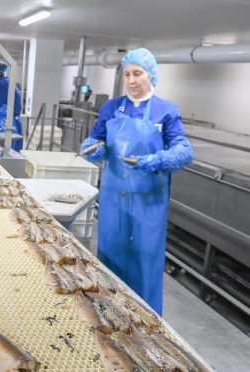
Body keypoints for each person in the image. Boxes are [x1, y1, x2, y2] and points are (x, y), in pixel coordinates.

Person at [80, 48, 193, 315]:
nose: (131, 80)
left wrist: (153, 160)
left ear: (150, 75)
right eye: (127, 74)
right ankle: (108, 313)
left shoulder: (166, 111)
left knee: (146, 260)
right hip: (113, 197)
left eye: (137, 73)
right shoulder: (111, 107)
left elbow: (184, 151)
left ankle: (146, 320)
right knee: (110, 256)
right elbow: (95, 138)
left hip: (149, 200)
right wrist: (91, 147)